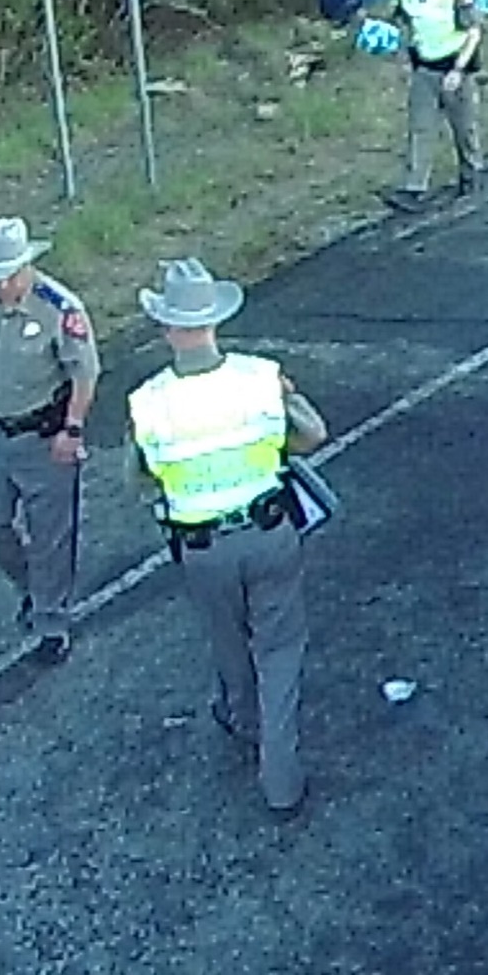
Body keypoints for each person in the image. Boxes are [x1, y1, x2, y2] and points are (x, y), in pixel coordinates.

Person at [128, 259, 330, 818]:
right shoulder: (259, 377)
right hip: (269, 532)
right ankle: (281, 777)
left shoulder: (149, 403)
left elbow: (138, 475)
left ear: (167, 328)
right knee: (280, 649)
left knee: (228, 641)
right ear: (215, 321)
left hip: (201, 548)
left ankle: (242, 719)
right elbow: (312, 435)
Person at [0, 216, 99, 661]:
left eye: (9, 274)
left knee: (52, 535)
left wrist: (73, 429)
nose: (2, 284)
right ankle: (34, 585)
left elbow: (84, 374)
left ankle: (51, 621)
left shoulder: (59, 309)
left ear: (28, 266)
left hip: (43, 437)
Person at [384, 0, 488, 206]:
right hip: (424, 68)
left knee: (464, 127)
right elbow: (405, 22)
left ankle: (472, 175)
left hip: (456, 69)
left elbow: (474, 32)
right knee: (420, 127)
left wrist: (458, 70)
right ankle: (413, 187)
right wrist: (403, 58)